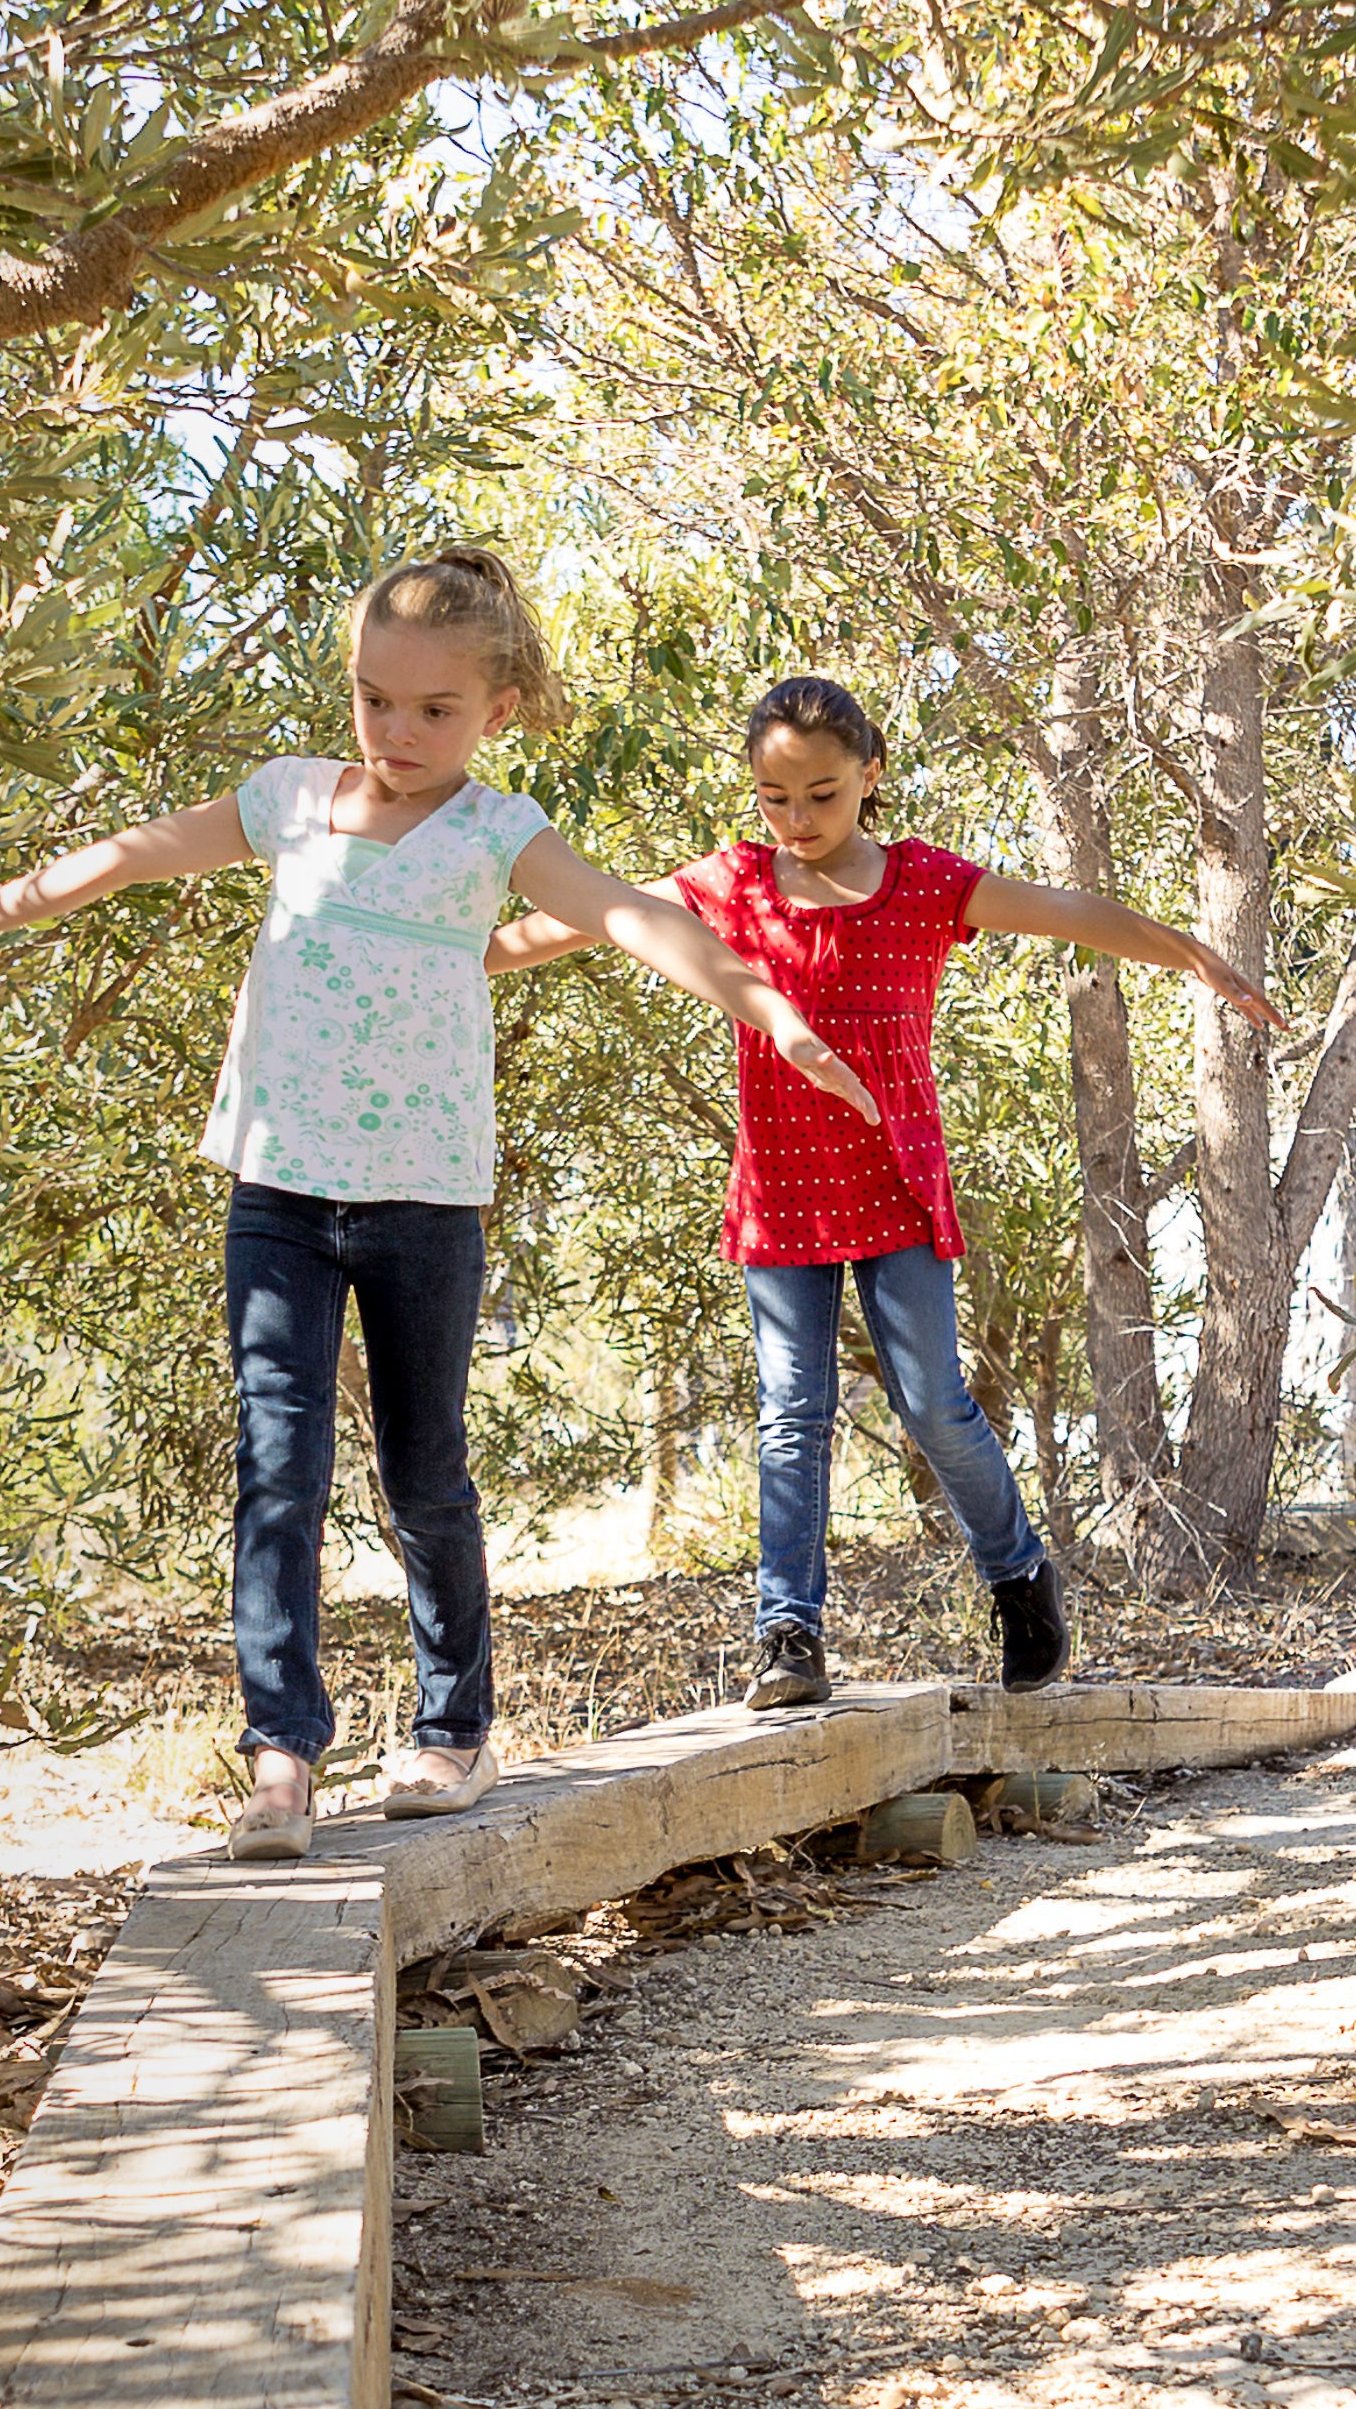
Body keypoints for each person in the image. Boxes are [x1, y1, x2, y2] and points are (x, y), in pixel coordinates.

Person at [0, 549, 880, 1860]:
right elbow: (127, 859)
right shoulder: (290, 803)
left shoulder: (497, 832)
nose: (398, 735)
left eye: (435, 711)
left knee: (424, 1473)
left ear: (499, 709)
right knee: (278, 1468)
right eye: (374, 701)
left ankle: (454, 1727)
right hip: (280, 1189)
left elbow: (639, 920)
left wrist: (772, 1013)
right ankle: (282, 1756)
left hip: (422, 1200)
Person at [489, 673, 1281, 1710]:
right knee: (789, 1413)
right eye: (775, 797)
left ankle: (1018, 1576)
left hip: (897, 1186)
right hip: (781, 1195)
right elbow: (582, 921)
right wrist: (438, 954)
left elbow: (1066, 912)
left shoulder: (922, 884)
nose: (798, 818)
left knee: (932, 1404)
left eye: (820, 792)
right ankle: (788, 1632)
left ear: (869, 775)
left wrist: (1187, 951)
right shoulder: (728, 882)